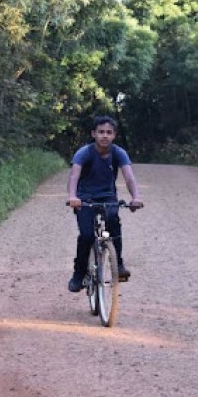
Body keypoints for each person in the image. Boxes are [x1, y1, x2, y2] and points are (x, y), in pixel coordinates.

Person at [66, 115, 143, 292]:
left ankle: (119, 264)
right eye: (101, 132)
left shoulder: (118, 153)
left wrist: (135, 197)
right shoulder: (84, 153)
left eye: (109, 132)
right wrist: (72, 196)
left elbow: (129, 177)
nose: (105, 136)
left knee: (114, 221)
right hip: (84, 198)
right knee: (86, 236)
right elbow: (74, 176)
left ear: (114, 135)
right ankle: (78, 274)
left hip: (107, 196)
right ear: (93, 134)